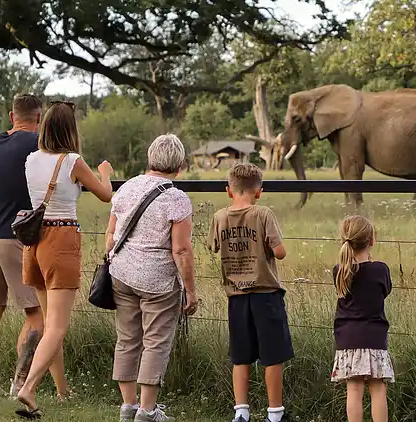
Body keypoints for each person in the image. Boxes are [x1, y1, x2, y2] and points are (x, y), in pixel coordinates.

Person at [14, 100, 114, 419]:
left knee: (48, 322)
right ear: (70, 130)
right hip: (61, 238)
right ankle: (28, 389)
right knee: (58, 325)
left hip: (35, 242)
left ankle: (61, 389)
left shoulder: (31, 160)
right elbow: (105, 194)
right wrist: (105, 173)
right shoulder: (72, 160)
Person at [0, 93, 69, 402]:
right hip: (12, 239)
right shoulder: (34, 144)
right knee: (37, 316)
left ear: (11, 116)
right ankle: (21, 383)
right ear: (39, 119)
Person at [106, 133, 199, 422]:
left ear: (149, 158)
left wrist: (115, 260)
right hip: (158, 282)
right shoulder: (176, 199)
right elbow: (182, 250)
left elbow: (110, 234)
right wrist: (191, 291)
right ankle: (147, 411)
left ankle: (128, 406)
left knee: (127, 338)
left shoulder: (126, 188)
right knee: (156, 342)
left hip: (121, 275)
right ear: (180, 165)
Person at [207, 163, 293, 422]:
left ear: (228, 191)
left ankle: (241, 411)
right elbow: (280, 252)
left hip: (236, 297)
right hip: (266, 294)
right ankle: (275, 413)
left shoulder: (220, 217)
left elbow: (213, 245)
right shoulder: (263, 213)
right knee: (273, 356)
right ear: (259, 191)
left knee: (240, 356)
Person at [330, 215, 395, 422]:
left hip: (347, 339)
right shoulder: (380, 270)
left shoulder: (339, 271)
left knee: (354, 389)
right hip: (374, 338)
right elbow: (385, 291)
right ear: (372, 240)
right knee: (377, 389)